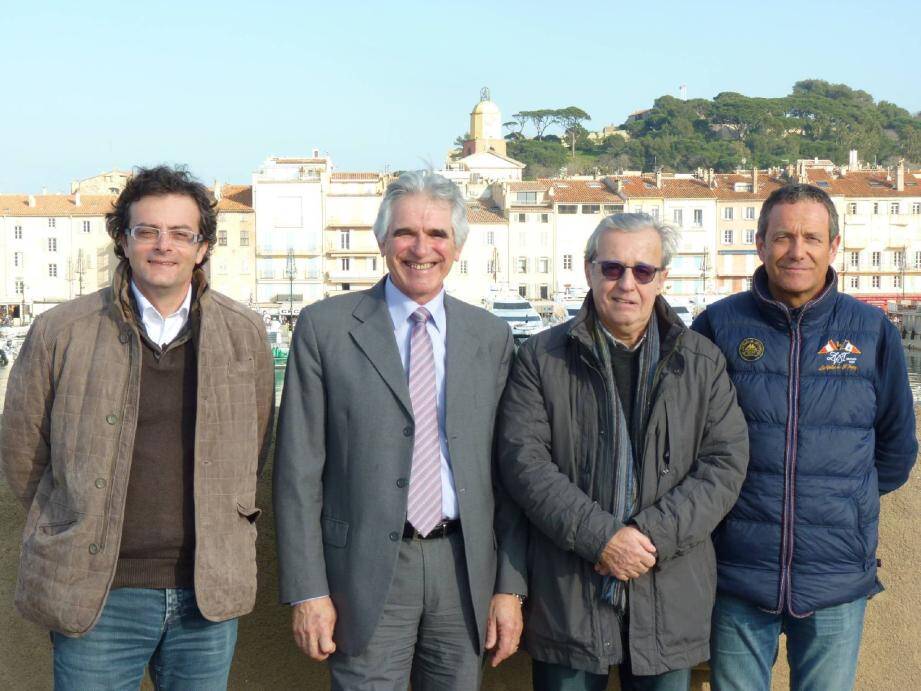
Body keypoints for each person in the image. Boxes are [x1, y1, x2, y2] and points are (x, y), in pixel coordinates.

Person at [0, 166, 275, 689]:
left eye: (180, 233)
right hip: (96, 594)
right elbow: (22, 451)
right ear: (123, 241)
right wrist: (72, 519)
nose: (162, 246)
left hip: (206, 593)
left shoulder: (244, 334)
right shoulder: (62, 331)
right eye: (146, 231)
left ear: (202, 247)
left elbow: (254, 443)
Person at [273, 170, 527, 689]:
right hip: (362, 576)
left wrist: (511, 588)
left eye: (437, 235)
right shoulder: (325, 328)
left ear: (456, 246)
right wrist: (306, 591)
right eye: (406, 233)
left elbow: (512, 475)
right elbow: (297, 471)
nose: (421, 248)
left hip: (464, 572)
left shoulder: (491, 336)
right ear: (382, 240)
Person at [497, 213, 749, 690]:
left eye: (642, 270)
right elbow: (524, 464)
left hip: (669, 595)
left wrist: (645, 538)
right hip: (570, 597)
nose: (626, 283)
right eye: (612, 268)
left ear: (662, 279)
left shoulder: (701, 362)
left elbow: (724, 465)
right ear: (590, 271)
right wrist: (604, 540)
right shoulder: (541, 358)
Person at [692, 183, 917, 691]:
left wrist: (841, 501)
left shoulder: (871, 329)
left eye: (812, 238)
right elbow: (688, 439)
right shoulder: (719, 325)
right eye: (783, 237)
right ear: (759, 243)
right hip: (736, 571)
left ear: (834, 246)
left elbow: (897, 447)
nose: (797, 251)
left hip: (837, 575)